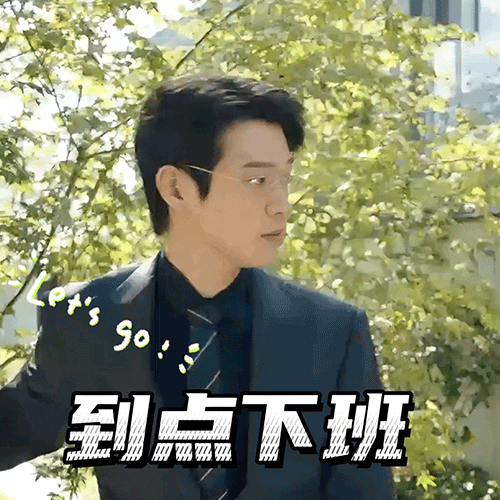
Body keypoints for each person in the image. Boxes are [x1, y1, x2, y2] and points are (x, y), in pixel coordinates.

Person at [0, 74, 396, 500]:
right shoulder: (88, 320)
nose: (281, 204)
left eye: (285, 178)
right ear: (176, 187)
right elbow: (15, 429)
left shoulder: (334, 332)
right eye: (257, 180)